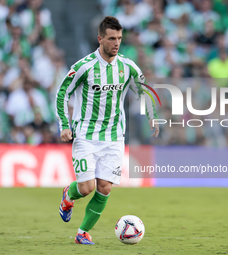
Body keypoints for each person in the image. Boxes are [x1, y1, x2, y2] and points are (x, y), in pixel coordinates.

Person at [55, 16, 159, 245]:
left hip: (114, 137)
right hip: (85, 135)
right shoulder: (84, 66)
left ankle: (82, 232)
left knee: (104, 188)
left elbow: (143, 91)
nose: (116, 43)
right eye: (112, 38)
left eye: (120, 38)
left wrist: (152, 116)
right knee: (86, 187)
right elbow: (63, 93)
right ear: (100, 38)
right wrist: (64, 124)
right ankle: (68, 195)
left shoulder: (128, 67)